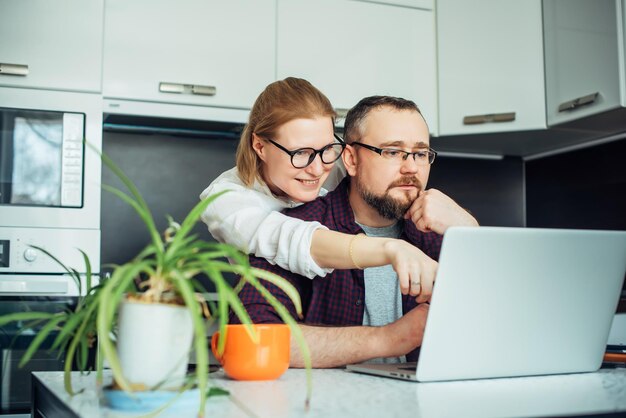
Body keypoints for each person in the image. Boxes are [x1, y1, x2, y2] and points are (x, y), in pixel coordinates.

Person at [230, 95, 479, 368]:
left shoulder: (443, 232)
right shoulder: (292, 231)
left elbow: (513, 317)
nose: (411, 167)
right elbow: (251, 337)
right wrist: (389, 339)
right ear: (350, 159)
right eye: (392, 152)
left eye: (420, 154)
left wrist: (466, 226)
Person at [200, 78, 438, 301]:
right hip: (274, 304)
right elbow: (294, 240)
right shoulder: (225, 200)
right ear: (260, 146)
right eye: (300, 153)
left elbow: (391, 183)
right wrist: (391, 249)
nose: (317, 170)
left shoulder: (332, 164)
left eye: (326, 149)